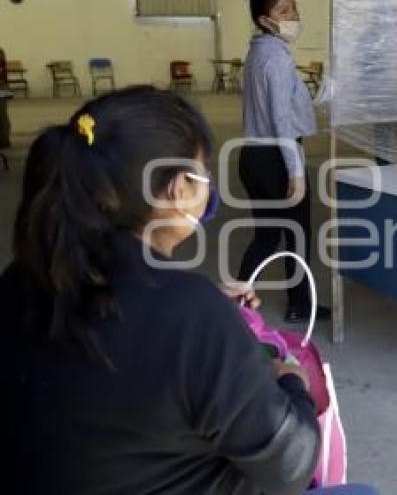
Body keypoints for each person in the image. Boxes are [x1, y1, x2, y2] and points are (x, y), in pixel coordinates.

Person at [1, 87, 322, 494]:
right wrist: (292, 380)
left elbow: (132, 332)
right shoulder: (190, 316)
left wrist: (204, 314)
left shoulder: (22, 278)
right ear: (178, 189)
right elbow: (292, 464)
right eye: (203, 175)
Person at [238, 0, 327, 323]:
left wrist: (324, 93)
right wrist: (295, 172)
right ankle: (295, 304)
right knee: (293, 235)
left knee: (270, 235)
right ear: (265, 20)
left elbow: (288, 105)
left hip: (257, 156)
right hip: (275, 157)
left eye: (294, 7)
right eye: (284, 11)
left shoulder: (260, 51)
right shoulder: (274, 58)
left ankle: (242, 303)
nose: (294, 16)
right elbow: (280, 119)